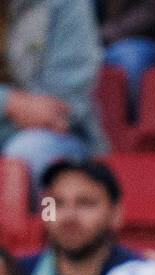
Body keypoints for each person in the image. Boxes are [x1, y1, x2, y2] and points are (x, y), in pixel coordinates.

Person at [0, 0, 108, 185]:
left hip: (56, 137)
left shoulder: (66, 4)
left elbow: (61, 106)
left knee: (28, 152)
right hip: (11, 123)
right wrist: (9, 102)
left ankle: (46, 214)